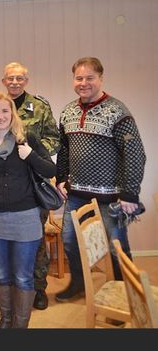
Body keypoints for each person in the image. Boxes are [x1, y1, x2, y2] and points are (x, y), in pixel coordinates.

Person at [55, 57, 146, 303]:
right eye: (79, 78)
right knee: (69, 240)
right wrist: (61, 178)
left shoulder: (117, 111)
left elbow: (135, 153)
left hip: (112, 197)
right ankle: (78, 283)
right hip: (76, 195)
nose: (83, 83)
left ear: (101, 79)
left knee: (117, 248)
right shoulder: (68, 111)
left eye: (90, 78)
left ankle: (124, 296)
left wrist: (130, 193)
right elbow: (64, 149)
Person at [0, 92, 56, 329]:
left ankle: (20, 325)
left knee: (22, 275)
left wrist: (31, 156)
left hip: (25, 217)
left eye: (4, 111)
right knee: (1, 274)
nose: (0, 116)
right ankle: (7, 319)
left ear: (12, 113)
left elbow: (50, 170)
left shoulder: (27, 138)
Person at [1, 62, 60, 311]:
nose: (14, 82)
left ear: (26, 81)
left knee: (36, 239)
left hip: (34, 183)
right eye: (10, 78)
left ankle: (38, 287)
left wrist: (33, 153)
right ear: (4, 81)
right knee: (7, 238)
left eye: (19, 78)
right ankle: (14, 287)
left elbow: (54, 139)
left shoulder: (39, 106)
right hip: (6, 184)